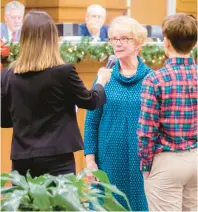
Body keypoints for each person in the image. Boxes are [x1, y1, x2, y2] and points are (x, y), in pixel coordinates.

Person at [1, 11, 112, 178]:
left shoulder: (7, 75)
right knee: (61, 204)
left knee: (26, 204)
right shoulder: (63, 72)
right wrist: (101, 80)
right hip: (57, 159)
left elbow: (4, 120)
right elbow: (91, 101)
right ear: (52, 38)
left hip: (22, 159)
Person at [84, 16, 153, 211]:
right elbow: (91, 122)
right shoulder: (104, 78)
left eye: (124, 38)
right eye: (114, 39)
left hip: (142, 166)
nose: (118, 43)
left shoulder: (151, 79)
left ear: (137, 43)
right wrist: (90, 161)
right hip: (108, 163)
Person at [137, 13, 197, 211]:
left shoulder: (155, 79)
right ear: (194, 44)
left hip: (167, 161)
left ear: (167, 42)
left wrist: (146, 165)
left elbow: (147, 130)